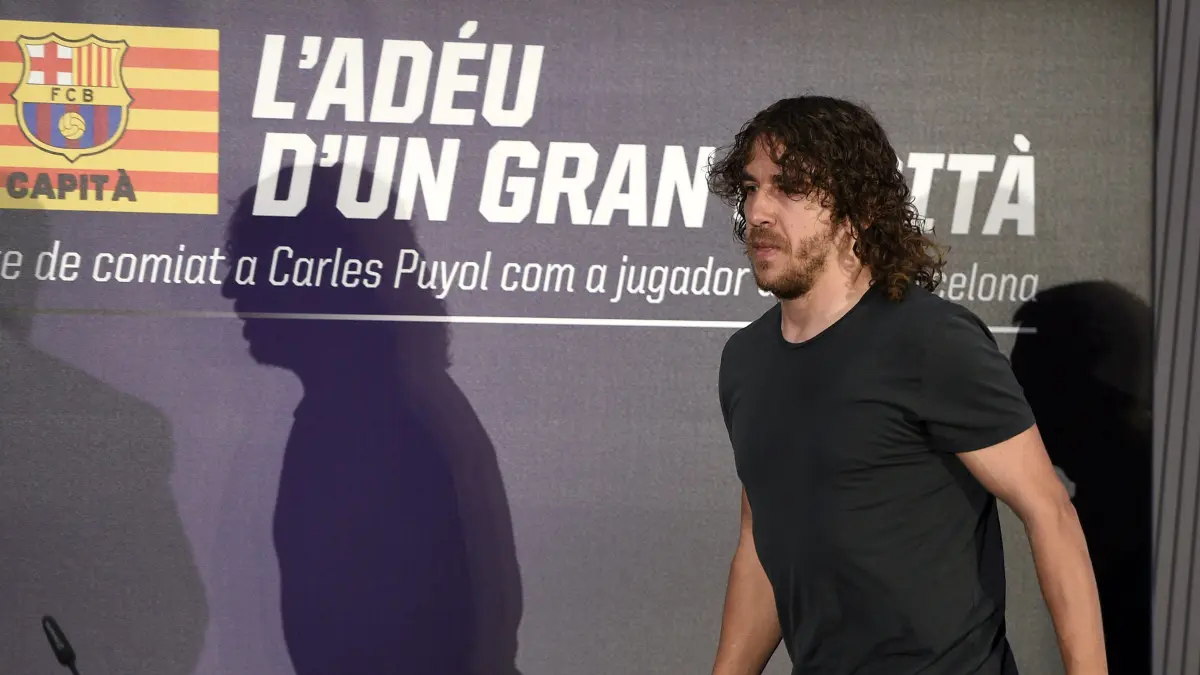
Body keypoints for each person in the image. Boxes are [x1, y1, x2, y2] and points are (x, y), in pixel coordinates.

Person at [705, 96, 1108, 675]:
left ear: (860, 209)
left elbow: (1049, 513)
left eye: (789, 188)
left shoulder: (930, 341)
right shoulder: (745, 361)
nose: (759, 211)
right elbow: (760, 543)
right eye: (751, 188)